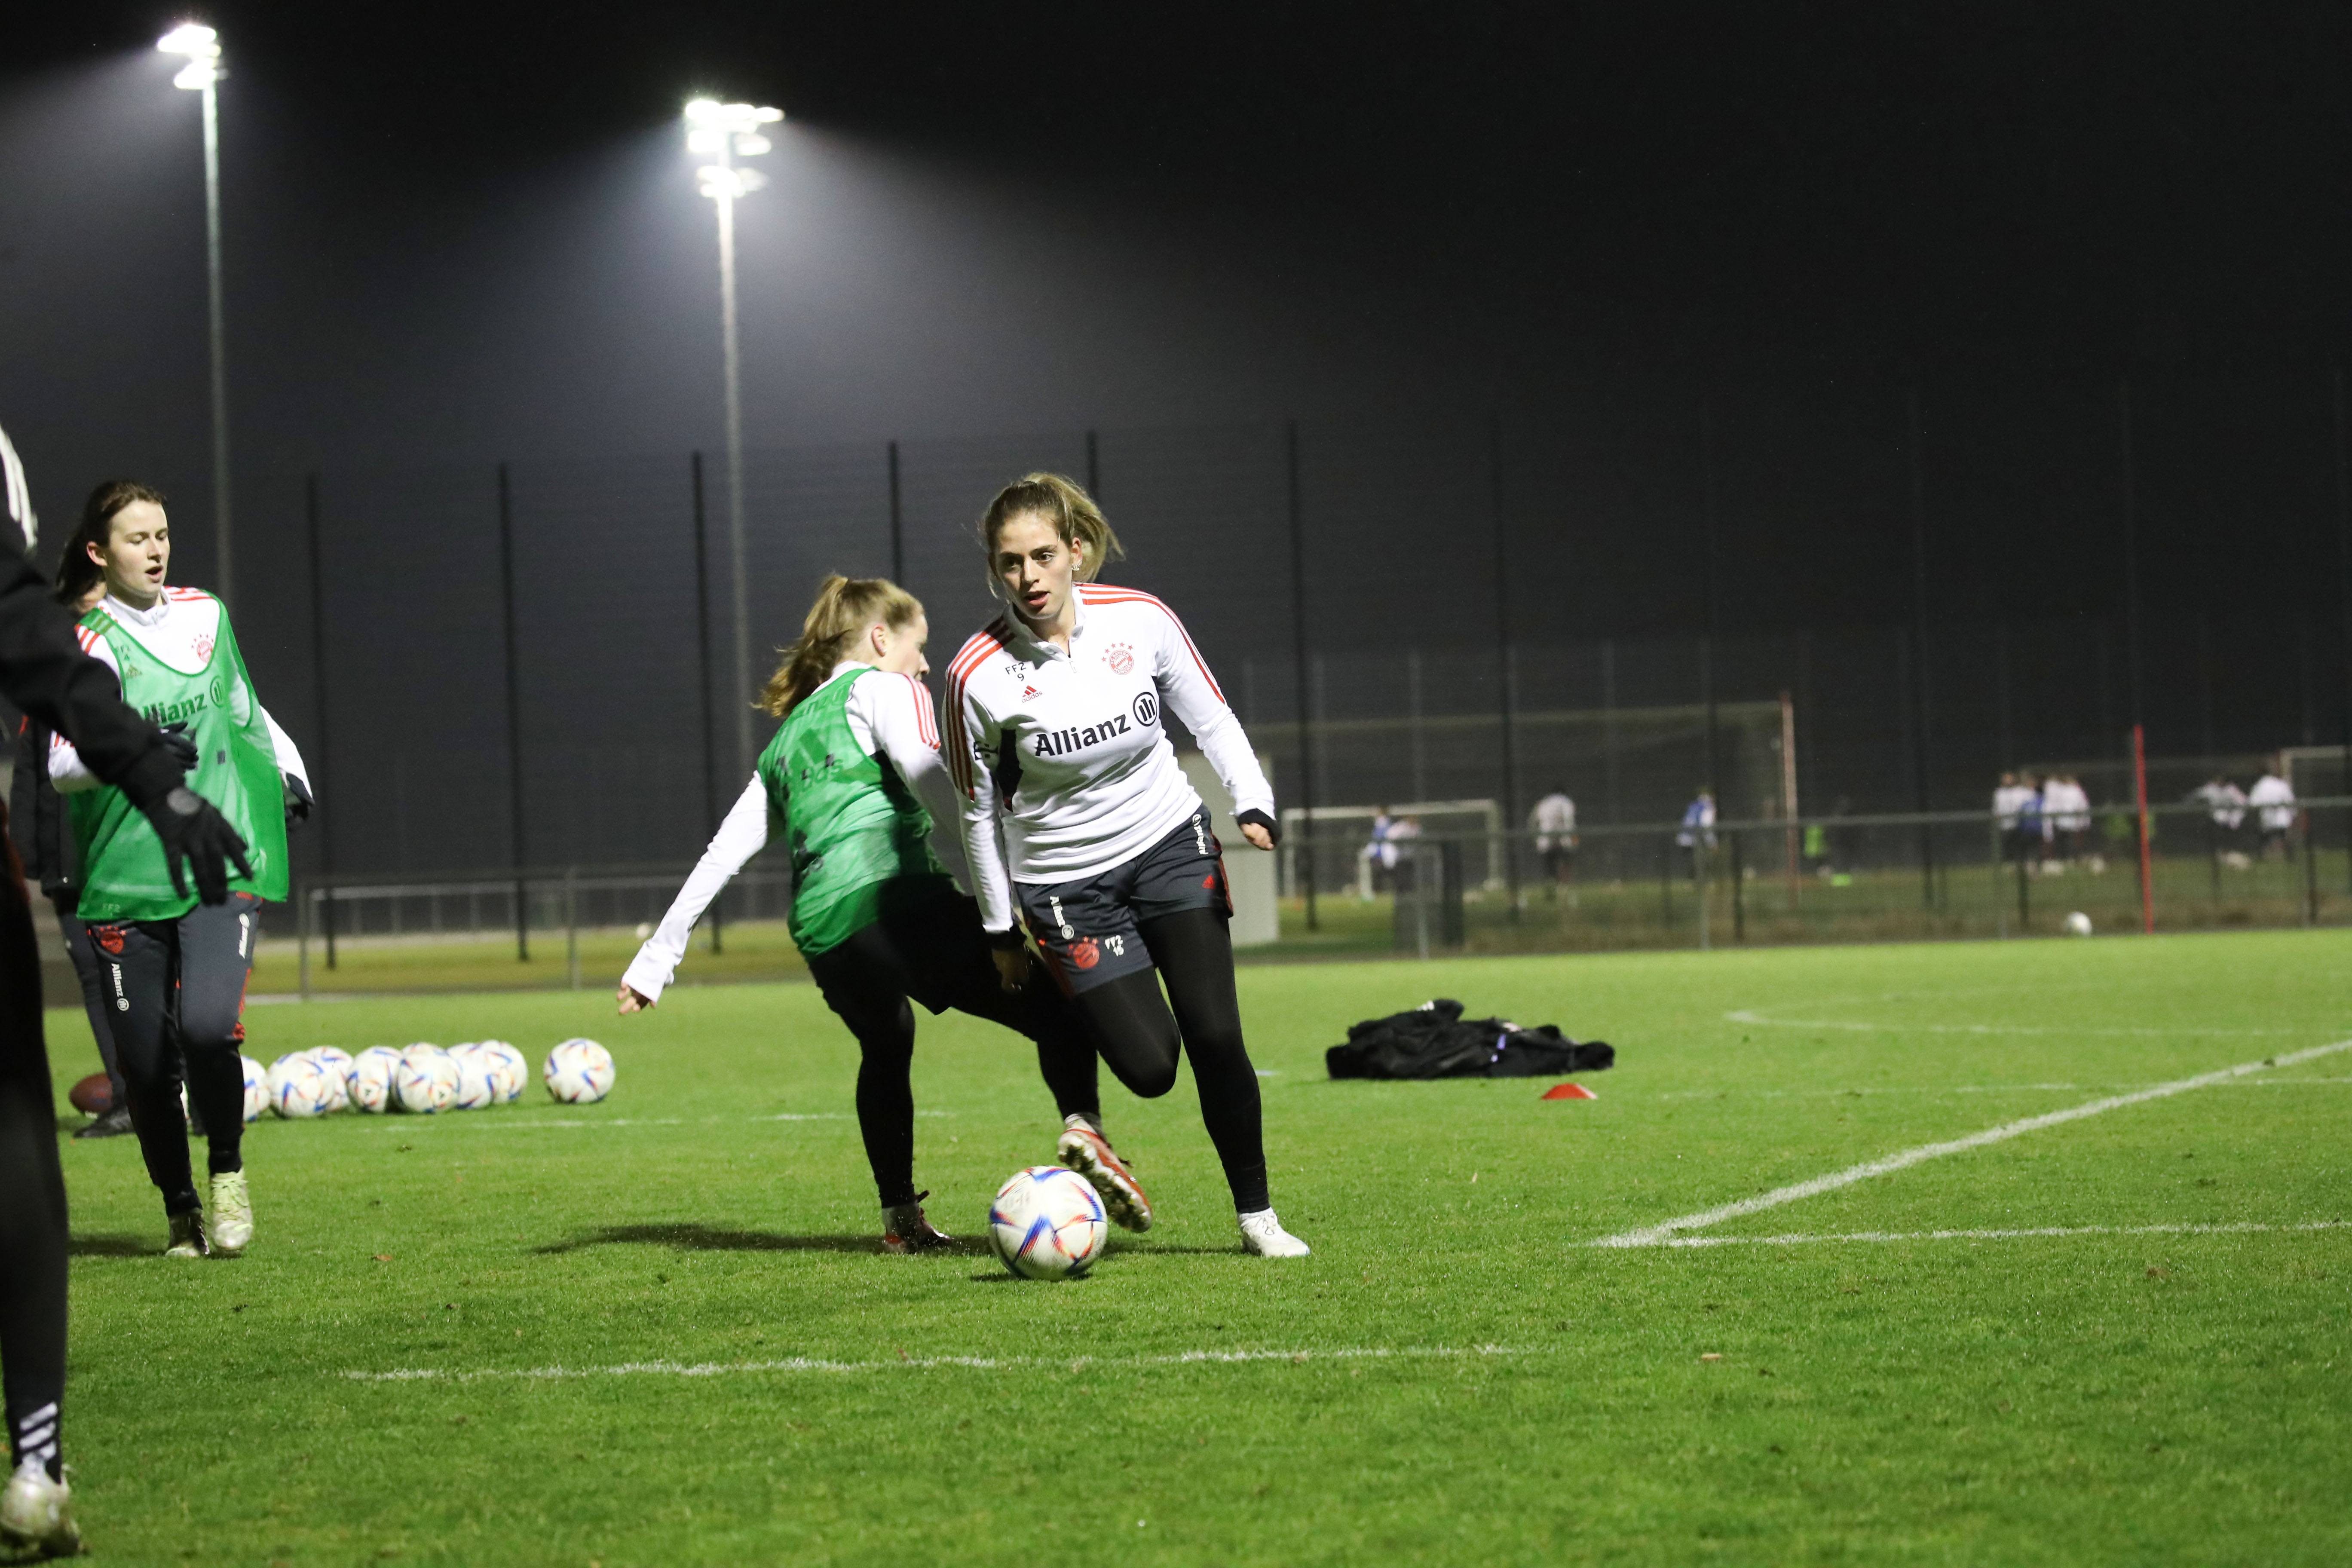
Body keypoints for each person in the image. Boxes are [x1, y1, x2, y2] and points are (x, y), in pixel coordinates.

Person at [618, 576, 1106, 1252]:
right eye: (919, 645)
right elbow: (931, 779)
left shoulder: (784, 744)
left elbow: (720, 854)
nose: (927, 665)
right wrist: (998, 893)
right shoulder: (884, 689)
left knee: (886, 1044)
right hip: (896, 905)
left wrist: (655, 960)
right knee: (1061, 1011)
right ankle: (1088, 1134)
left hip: (825, 934)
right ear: (881, 638)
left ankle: (900, 1220)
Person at [946, 472, 1308, 1257]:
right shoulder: (974, 673)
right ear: (995, 571)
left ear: (1076, 552)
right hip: (1067, 885)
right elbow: (976, 813)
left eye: (1043, 555)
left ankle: (1258, 1218)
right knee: (1150, 1068)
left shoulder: (1141, 619)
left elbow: (1209, 715)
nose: (1029, 577)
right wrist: (1000, 926)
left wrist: (1252, 796)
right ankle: (1085, 1106)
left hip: (1169, 844)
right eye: (1010, 563)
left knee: (1215, 1033)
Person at [0, 434, 251, 1558]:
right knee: (24, 1143)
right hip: (99, 869)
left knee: (186, 1038)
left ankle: (217, 1187)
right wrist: (156, 777)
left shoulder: (203, 618)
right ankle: (36, 1461)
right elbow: (39, 660)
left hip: (157, 872)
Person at [46, 482, 310, 1263]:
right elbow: (63, 763)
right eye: (136, 538)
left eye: (162, 534)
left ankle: (227, 1172)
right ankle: (180, 1207)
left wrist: (291, 772)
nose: (156, 549)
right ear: (99, 552)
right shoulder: (85, 643)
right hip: (125, 879)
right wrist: (133, 754)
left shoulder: (207, 615)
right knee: (147, 1065)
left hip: (213, 862)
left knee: (204, 1029)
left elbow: (243, 707)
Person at [9, 578, 137, 1139]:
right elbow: (34, 778)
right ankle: (136, 1094)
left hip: (114, 846)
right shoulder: (56, 677)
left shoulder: (117, 665)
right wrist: (36, 859)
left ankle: (157, 1093)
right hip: (71, 857)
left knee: (129, 971)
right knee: (95, 972)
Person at [1529, 784, 1577, 899]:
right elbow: (1564, 818)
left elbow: (1533, 821)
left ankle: (1551, 889)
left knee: (1550, 867)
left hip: (1545, 840)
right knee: (1566, 863)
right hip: (1563, 839)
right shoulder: (1566, 802)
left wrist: (1536, 838)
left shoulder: (1544, 803)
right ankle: (1563, 889)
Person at [2248, 756, 2297, 861]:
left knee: (2262, 840)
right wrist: (2293, 816)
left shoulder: (2259, 786)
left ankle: (2260, 858)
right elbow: (2291, 802)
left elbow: (2253, 805)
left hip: (2267, 821)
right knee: (2285, 839)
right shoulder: (2281, 784)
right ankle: (2291, 858)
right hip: (2283, 821)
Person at [1676, 787, 1716, 881]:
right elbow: (1706, 826)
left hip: (1684, 838)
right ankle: (1702, 881)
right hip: (1695, 838)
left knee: (1695, 861)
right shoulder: (1708, 807)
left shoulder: (1693, 806)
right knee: (1703, 860)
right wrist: (1712, 842)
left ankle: (1694, 880)